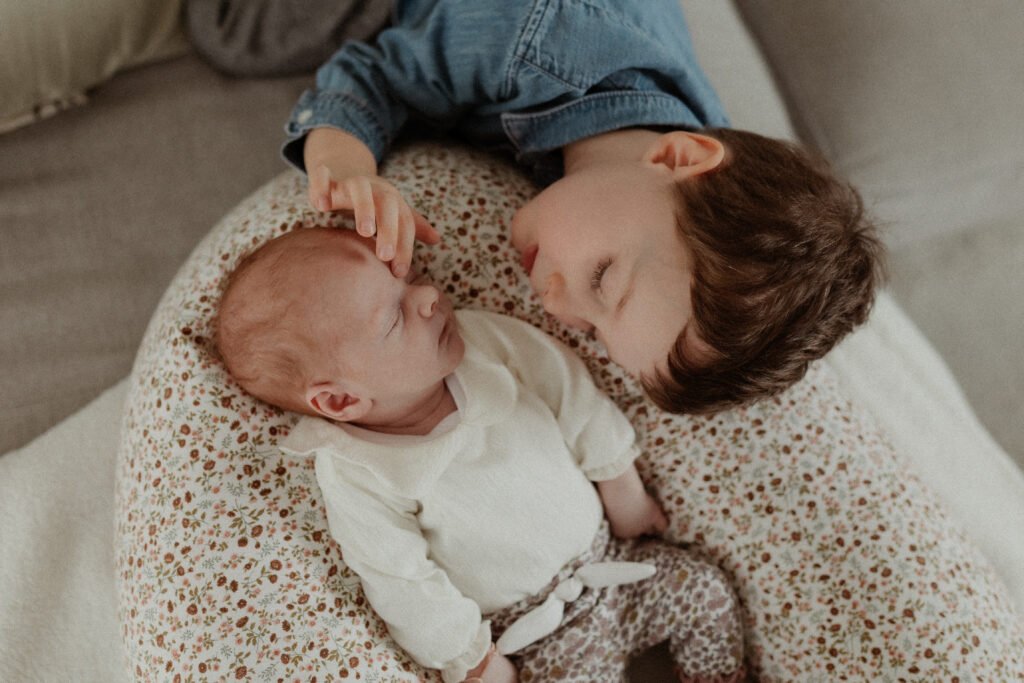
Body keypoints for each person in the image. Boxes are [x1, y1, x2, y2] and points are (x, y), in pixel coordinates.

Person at [280, 0, 884, 416]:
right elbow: (371, 76)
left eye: (592, 331)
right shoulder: (534, 43)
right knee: (248, 31)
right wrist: (351, 169)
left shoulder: (685, 180)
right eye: (602, 277)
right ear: (678, 155)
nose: (555, 304)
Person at [214, 227, 746, 682]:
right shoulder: (358, 471)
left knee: (706, 591)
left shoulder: (484, 344)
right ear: (341, 399)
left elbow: (571, 392)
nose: (427, 297)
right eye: (395, 317)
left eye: (411, 279)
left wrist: (621, 486)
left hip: (614, 562)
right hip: (541, 633)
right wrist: (470, 658)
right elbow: (400, 579)